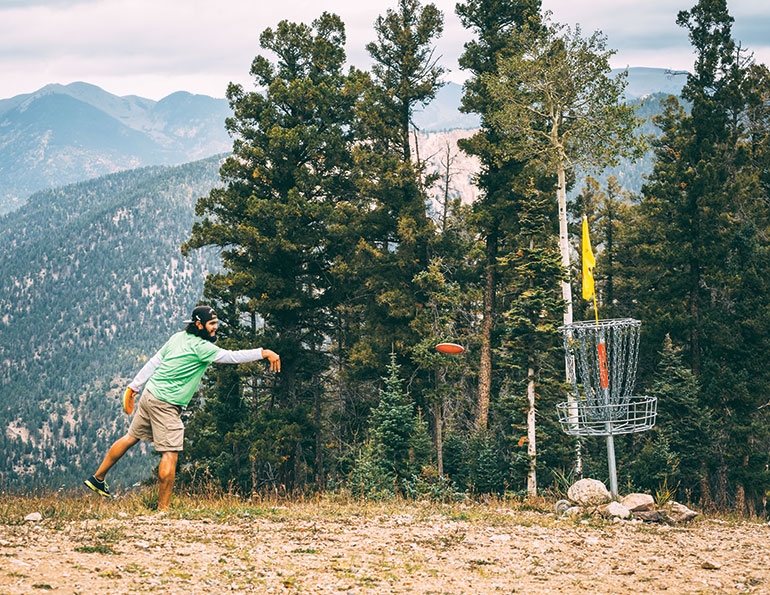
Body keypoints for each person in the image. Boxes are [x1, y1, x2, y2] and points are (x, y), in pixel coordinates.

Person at [84, 305, 280, 510]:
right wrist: (263, 352)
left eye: (216, 323)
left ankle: (98, 478)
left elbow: (154, 362)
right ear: (199, 324)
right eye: (212, 324)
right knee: (170, 452)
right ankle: (163, 510)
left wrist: (134, 386)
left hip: (150, 394)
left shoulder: (177, 337)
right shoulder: (202, 348)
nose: (216, 328)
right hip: (166, 403)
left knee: (131, 437)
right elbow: (231, 357)